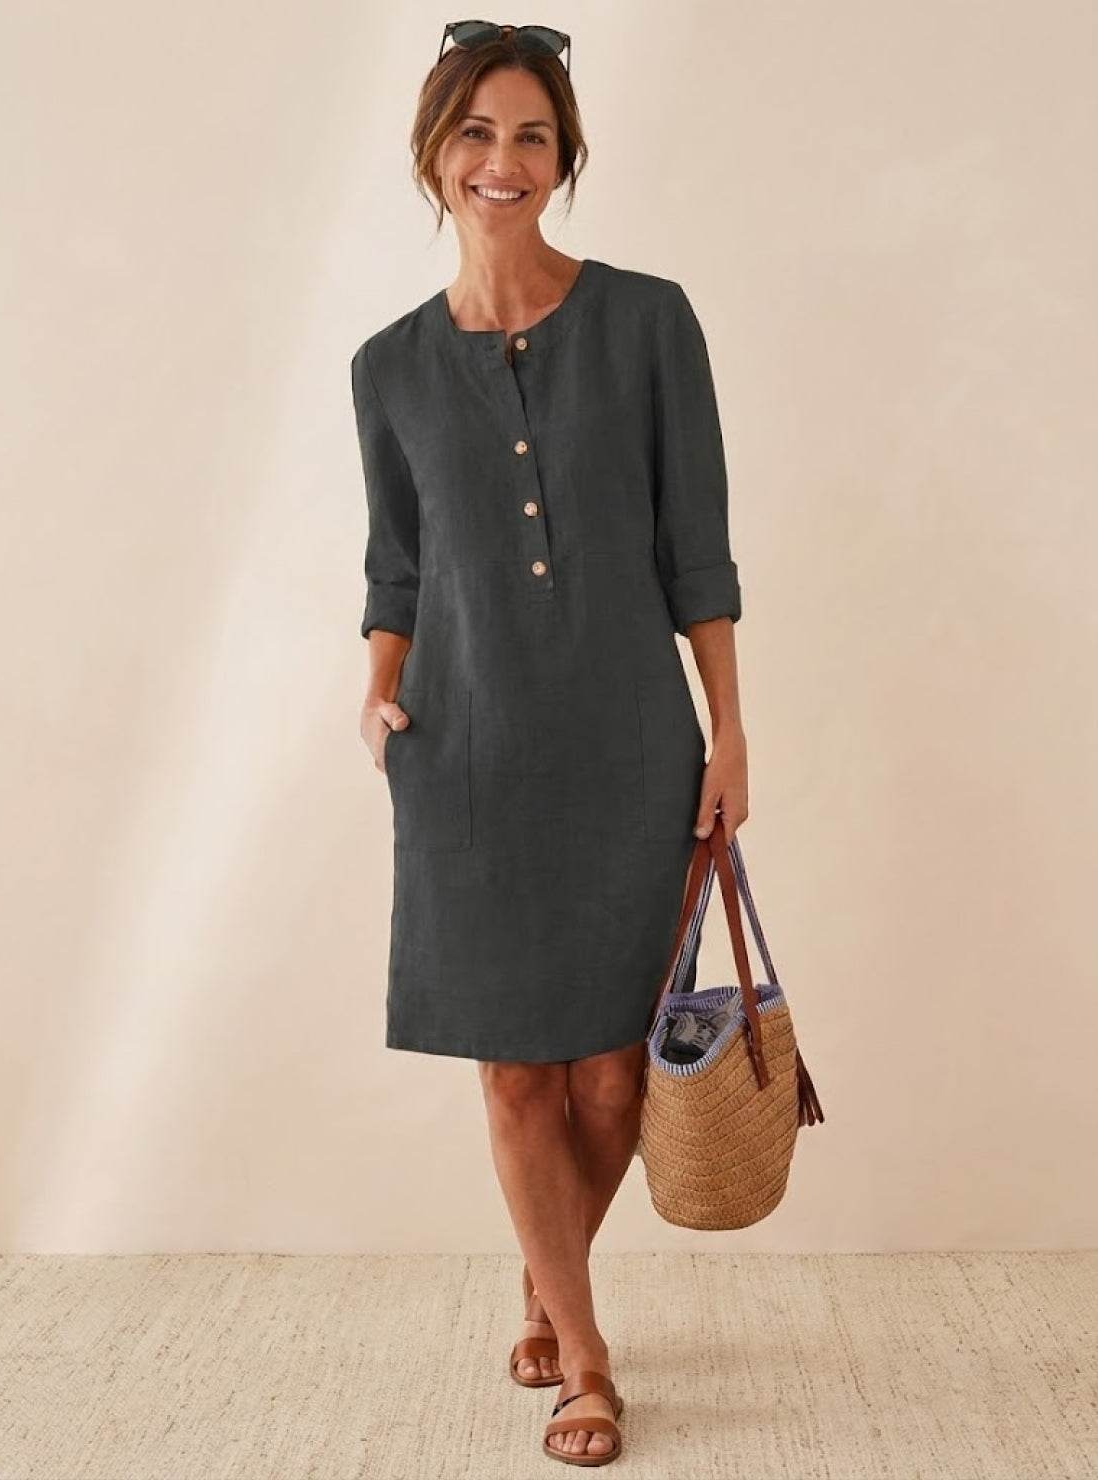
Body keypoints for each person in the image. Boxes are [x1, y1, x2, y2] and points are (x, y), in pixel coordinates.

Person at [351, 21, 748, 1467]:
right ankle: (584, 1356)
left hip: (631, 744)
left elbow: (696, 549)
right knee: (517, 1072)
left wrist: (728, 732)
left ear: (564, 157)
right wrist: (377, 690)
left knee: (613, 1074)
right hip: (462, 752)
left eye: (531, 135)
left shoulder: (649, 323)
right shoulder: (387, 366)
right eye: (475, 133)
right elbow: (396, 568)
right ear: (433, 153)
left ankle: (543, 1271)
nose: (501, 162)